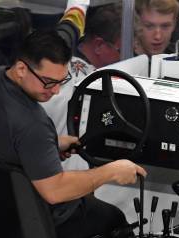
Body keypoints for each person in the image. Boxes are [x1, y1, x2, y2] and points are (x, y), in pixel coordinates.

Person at [0, 22, 146, 238]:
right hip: (36, 227)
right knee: (114, 219)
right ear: (22, 69)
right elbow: (55, 191)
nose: (55, 91)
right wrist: (110, 171)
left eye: (61, 82)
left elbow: (7, 139)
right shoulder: (33, 124)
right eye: (49, 82)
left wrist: (53, 144)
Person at [42, 2, 124, 171]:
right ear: (100, 45)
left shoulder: (50, 61)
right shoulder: (85, 83)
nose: (125, 57)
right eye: (120, 50)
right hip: (59, 176)